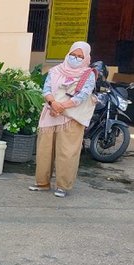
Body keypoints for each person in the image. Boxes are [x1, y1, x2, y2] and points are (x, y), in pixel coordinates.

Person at [29, 41, 96, 198]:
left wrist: (61, 107)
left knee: (67, 153)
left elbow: (83, 95)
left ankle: (62, 186)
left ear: (86, 58)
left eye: (80, 56)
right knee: (44, 151)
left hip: (71, 118)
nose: (76, 58)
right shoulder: (55, 70)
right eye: (73, 55)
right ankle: (42, 183)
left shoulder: (88, 74)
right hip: (50, 114)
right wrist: (53, 103)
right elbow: (46, 89)